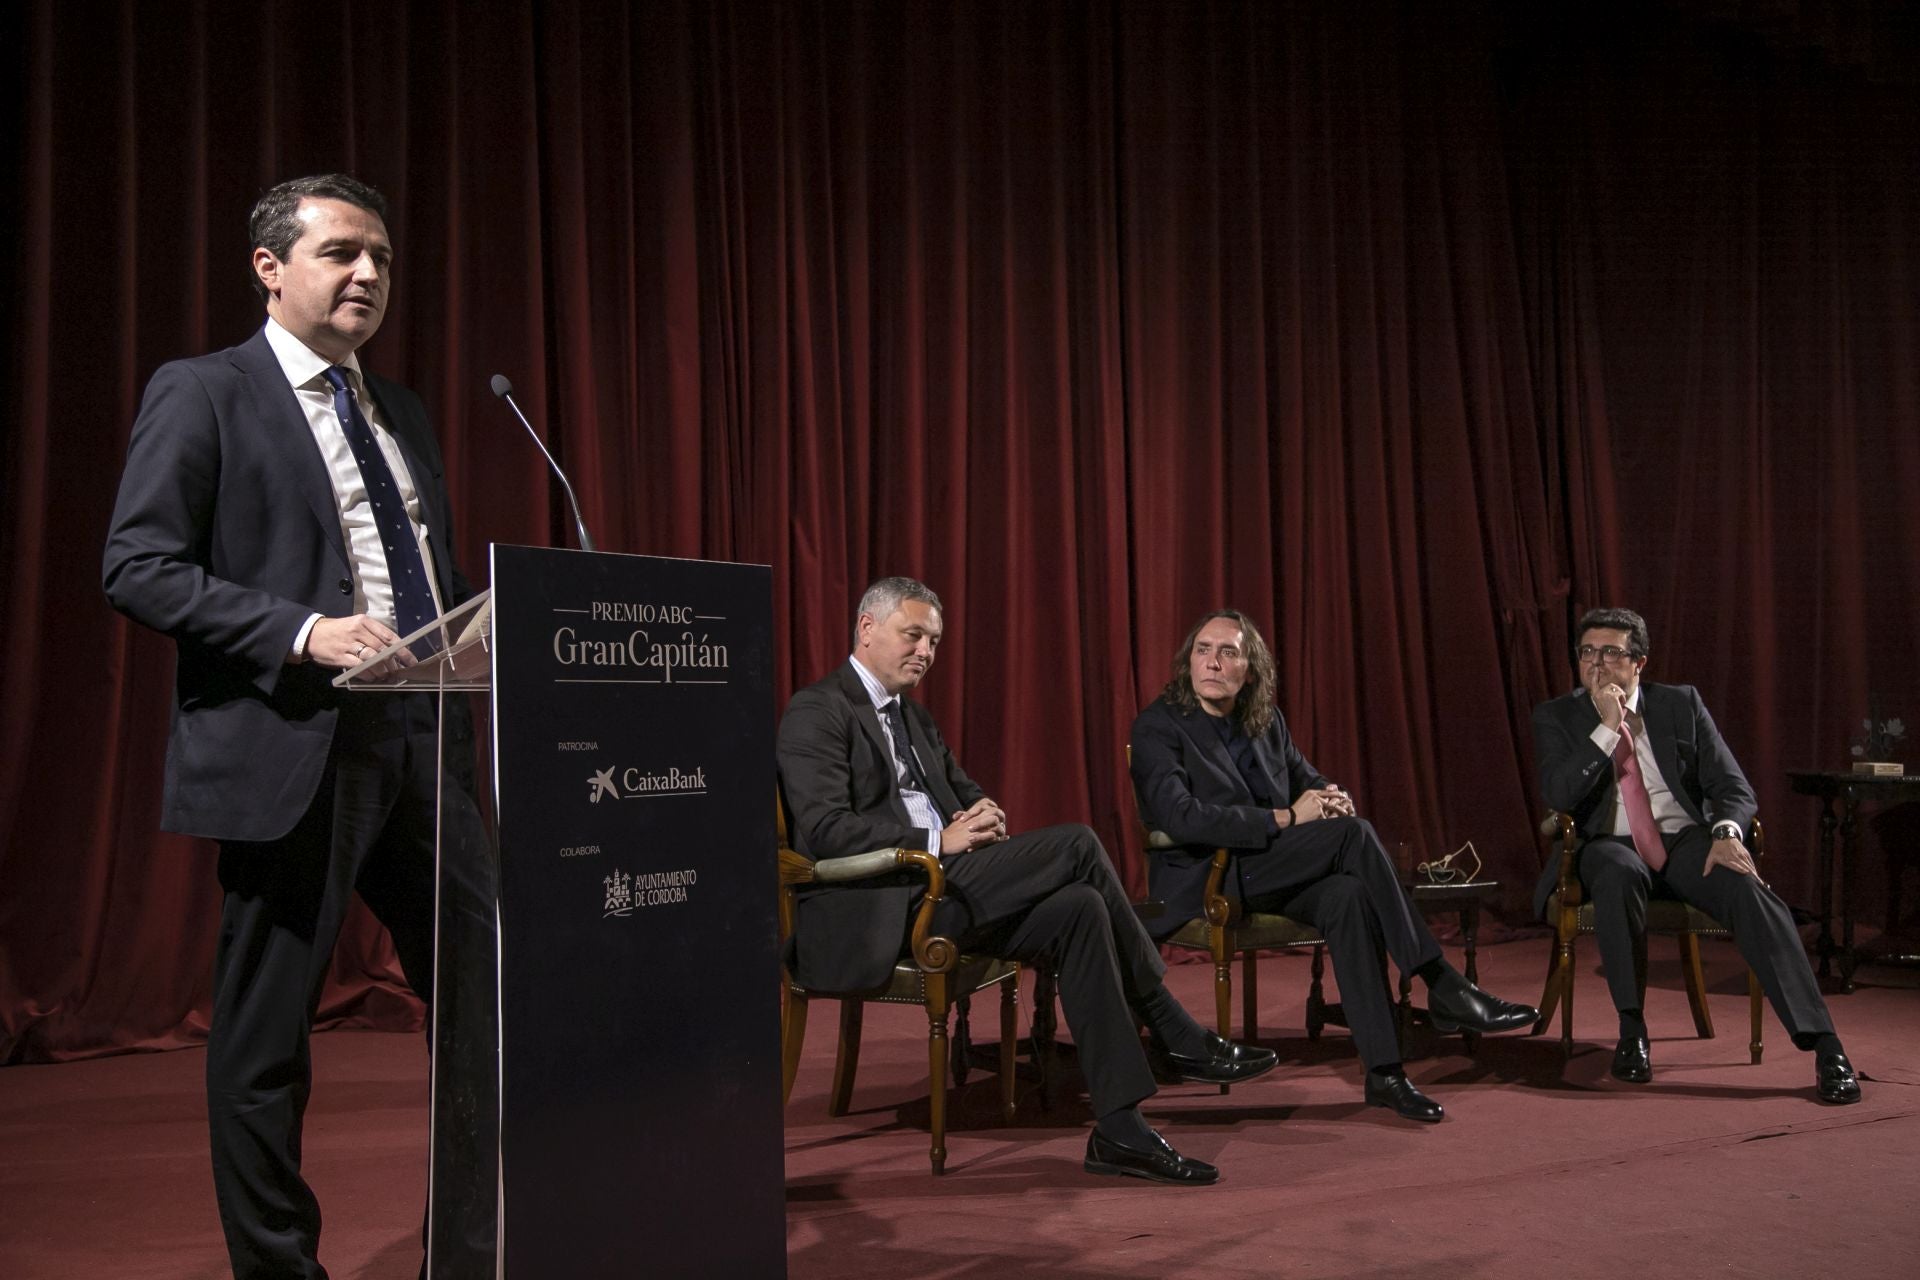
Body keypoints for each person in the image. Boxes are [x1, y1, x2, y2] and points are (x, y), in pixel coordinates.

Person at [102, 174, 498, 1278]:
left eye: (379, 255)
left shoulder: (400, 408)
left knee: (488, 999)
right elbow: (135, 566)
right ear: (271, 268)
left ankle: (472, 1252)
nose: (368, 273)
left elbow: (431, 568)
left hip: (424, 743)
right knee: (267, 1037)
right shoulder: (206, 391)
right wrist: (302, 630)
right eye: (339, 253)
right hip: (296, 740)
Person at [778, 577, 1277, 1185]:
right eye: (914, 636)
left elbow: (964, 789)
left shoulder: (913, 715)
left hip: (946, 890)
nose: (926, 653)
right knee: (1077, 843)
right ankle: (1173, 1026)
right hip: (881, 903)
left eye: (933, 642)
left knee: (1082, 906)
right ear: (866, 628)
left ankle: (1120, 1130)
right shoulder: (817, 709)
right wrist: (939, 841)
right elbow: (826, 830)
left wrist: (982, 812)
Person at [1130, 609, 1539, 1123]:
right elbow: (1178, 817)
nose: (1212, 661)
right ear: (1188, 660)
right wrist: (1286, 815)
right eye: (1202, 650)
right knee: (1354, 837)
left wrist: (1329, 796)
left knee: (1347, 895)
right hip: (1210, 875)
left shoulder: (1265, 720)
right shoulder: (1158, 724)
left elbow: (1308, 779)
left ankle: (1385, 1074)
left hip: (1270, 870)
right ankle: (1442, 983)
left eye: (1228, 652)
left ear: (1250, 670)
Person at [1532, 607, 1860, 1102]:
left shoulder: (1680, 704)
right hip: (1606, 844)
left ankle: (1825, 1045)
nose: (1596, 664)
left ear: (1639, 662)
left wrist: (1728, 831)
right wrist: (1606, 729)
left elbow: (1732, 785)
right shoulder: (1557, 715)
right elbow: (1559, 793)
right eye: (1587, 653)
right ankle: (1631, 1032)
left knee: (1750, 893)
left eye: (1611, 653)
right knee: (1619, 874)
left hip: (1682, 842)